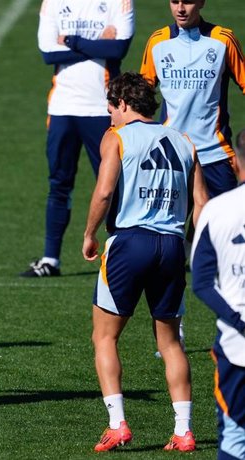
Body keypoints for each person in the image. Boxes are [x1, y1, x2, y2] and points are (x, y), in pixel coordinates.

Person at [82, 72, 209, 452]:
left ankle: (117, 424)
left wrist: (89, 234)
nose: (109, 115)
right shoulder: (185, 141)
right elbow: (201, 202)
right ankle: (184, 430)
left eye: (110, 108)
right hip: (172, 245)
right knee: (170, 342)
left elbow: (105, 192)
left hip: (129, 242)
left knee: (105, 336)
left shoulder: (116, 137)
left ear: (123, 104)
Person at [22, 0, 134, 277]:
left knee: (112, 184)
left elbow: (118, 49)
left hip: (103, 109)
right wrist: (96, 43)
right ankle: (51, 260)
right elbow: (48, 53)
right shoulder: (53, 3)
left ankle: (119, 252)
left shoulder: (120, 2)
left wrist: (71, 41)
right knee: (59, 183)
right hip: (62, 109)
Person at [140, 0, 244, 199]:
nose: (180, 9)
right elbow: (140, 97)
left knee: (219, 227)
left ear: (201, 2)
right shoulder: (157, 42)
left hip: (216, 157)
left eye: (187, 2)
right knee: (169, 229)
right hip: (171, 157)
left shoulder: (223, 40)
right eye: (174, 2)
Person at [191, 128, 245, 460]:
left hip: (236, 347)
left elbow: (201, 282)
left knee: (234, 439)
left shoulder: (216, 210)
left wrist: (238, 320)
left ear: (236, 162)